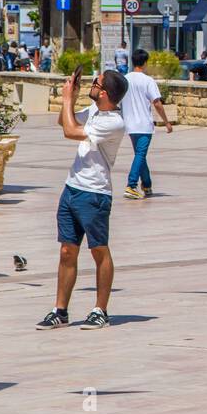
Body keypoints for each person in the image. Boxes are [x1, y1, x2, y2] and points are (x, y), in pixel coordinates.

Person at [36, 68, 130, 331]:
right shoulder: (94, 111)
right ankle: (60, 310)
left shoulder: (114, 121)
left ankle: (100, 310)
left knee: (99, 250)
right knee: (67, 250)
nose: (91, 84)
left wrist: (67, 99)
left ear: (105, 92)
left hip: (95, 192)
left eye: (95, 83)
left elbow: (70, 131)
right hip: (72, 187)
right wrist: (73, 97)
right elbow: (64, 122)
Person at [121, 49, 172, 201]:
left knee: (140, 154)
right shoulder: (148, 80)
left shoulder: (125, 79)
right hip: (143, 125)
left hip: (129, 124)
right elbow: (157, 102)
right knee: (140, 155)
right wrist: (166, 122)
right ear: (144, 62)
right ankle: (131, 185)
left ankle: (147, 185)